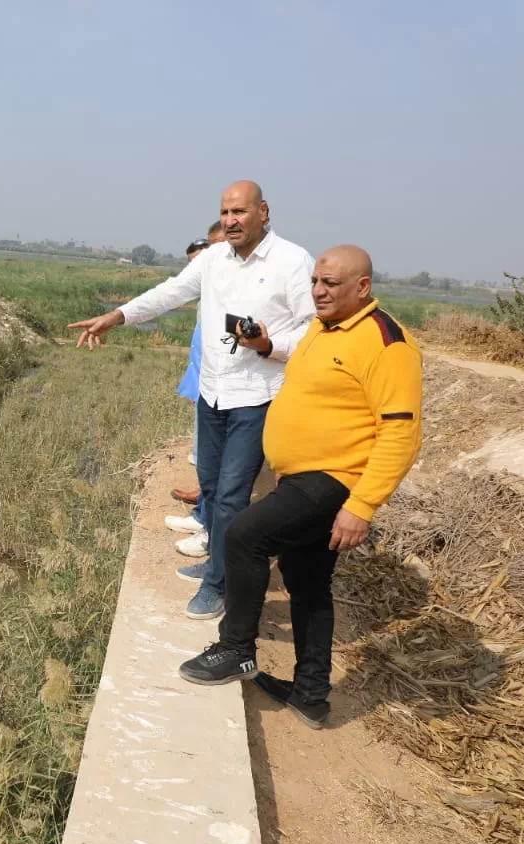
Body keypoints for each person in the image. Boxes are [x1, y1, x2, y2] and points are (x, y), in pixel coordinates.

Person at [178, 245, 423, 729]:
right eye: (315, 281)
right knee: (306, 581)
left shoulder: (386, 342)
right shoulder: (323, 327)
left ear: (363, 287)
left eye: (330, 283)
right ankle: (311, 693)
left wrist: (362, 506)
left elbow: (401, 433)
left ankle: (236, 649)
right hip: (305, 476)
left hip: (336, 479)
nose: (318, 291)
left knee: (244, 535)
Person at [69, 181, 315, 619]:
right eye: (225, 212)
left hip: (256, 398)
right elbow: (169, 292)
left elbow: (312, 330)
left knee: (232, 495)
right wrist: (118, 316)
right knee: (213, 487)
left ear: (263, 212)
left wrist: (268, 344)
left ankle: (219, 585)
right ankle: (218, 562)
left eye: (239, 212)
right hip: (212, 393)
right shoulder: (214, 259)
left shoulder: (292, 261)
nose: (230, 221)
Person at [166, 221, 226, 564]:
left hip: (224, 392)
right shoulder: (208, 291)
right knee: (206, 457)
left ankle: (208, 530)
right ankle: (202, 514)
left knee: (216, 463)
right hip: (206, 384)